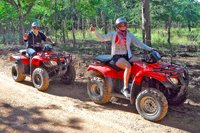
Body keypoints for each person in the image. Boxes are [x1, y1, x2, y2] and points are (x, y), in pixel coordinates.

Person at [90, 17, 154, 98]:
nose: (123, 26)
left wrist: (151, 49)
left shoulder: (129, 35)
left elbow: (139, 43)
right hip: (117, 57)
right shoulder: (113, 34)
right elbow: (102, 38)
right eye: (121, 25)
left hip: (128, 56)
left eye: (124, 24)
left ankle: (140, 83)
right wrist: (94, 32)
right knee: (128, 66)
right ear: (117, 26)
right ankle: (125, 88)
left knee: (142, 63)